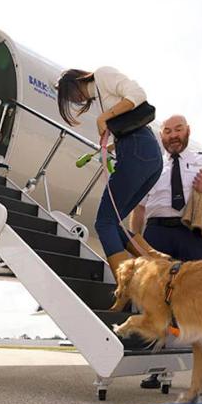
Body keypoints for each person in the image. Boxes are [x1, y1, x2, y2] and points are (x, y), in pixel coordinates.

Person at [129, 114, 202, 389]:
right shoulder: (150, 165)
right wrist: (137, 245)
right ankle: (155, 368)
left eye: (178, 129)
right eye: (167, 131)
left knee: (201, 304)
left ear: (187, 131)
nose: (173, 135)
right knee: (156, 302)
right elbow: (138, 209)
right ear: (161, 136)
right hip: (156, 233)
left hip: (193, 233)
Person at [56, 67, 164, 280]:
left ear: (75, 82)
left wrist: (104, 118)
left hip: (137, 150)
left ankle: (126, 286)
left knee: (104, 223)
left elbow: (138, 95)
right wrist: (111, 145)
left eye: (70, 95)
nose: (75, 100)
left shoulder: (103, 74)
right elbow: (129, 127)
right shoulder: (100, 95)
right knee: (113, 224)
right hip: (148, 156)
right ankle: (162, 265)